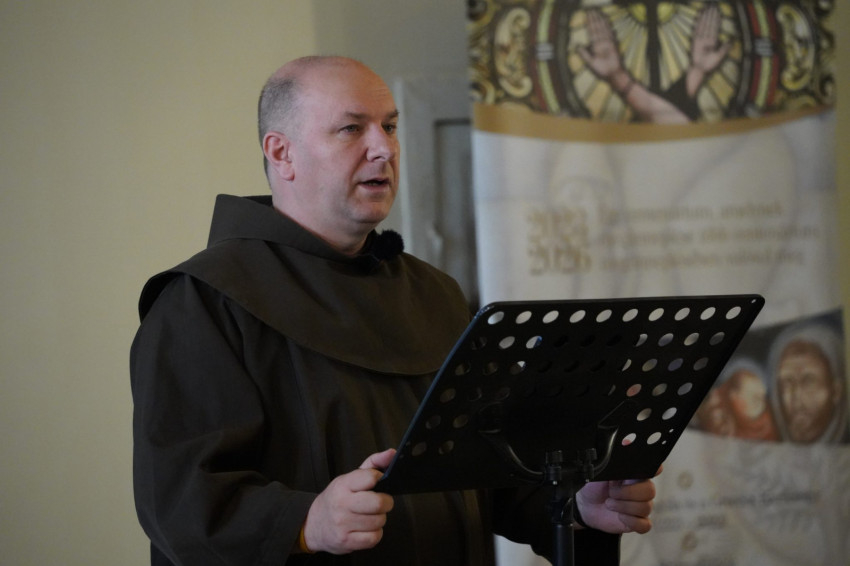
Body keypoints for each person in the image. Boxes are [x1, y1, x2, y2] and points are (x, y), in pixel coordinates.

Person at [130, 55, 658, 566]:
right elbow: (180, 500)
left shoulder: (433, 293)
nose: (384, 148)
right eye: (351, 128)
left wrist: (575, 508)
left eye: (389, 126)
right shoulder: (205, 302)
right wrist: (306, 522)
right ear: (282, 153)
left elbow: (495, 473)